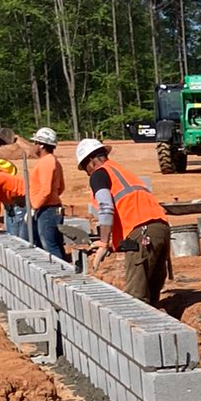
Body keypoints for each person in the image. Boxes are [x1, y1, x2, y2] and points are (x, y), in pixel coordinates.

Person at [75, 138, 172, 308]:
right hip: (161, 228)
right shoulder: (120, 171)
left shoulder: (99, 174)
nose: (87, 173)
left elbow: (106, 207)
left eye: (84, 169)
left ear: (90, 161)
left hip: (142, 232)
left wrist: (104, 242)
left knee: (137, 298)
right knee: (151, 291)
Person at [28, 127, 67, 261]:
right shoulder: (54, 161)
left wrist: (35, 207)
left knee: (49, 246)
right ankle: (63, 271)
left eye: (36, 143)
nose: (34, 146)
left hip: (47, 211)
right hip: (51, 208)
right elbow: (60, 188)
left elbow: (46, 190)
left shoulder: (46, 162)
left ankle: (60, 275)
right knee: (54, 244)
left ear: (42, 145)